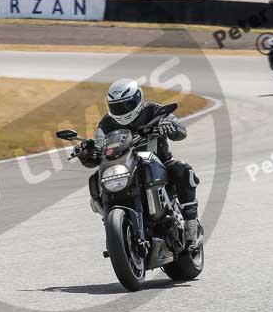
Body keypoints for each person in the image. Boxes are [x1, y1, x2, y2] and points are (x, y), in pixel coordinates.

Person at [77, 78, 200, 245]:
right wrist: (86, 152)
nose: (122, 110)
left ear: (138, 99)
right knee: (95, 179)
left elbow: (181, 131)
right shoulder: (106, 123)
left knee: (182, 169)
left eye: (127, 105)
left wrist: (170, 125)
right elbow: (98, 151)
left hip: (160, 163)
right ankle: (112, 222)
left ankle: (191, 221)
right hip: (124, 166)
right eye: (117, 107)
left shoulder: (153, 110)